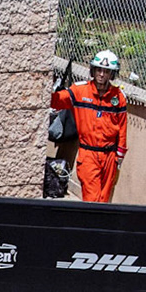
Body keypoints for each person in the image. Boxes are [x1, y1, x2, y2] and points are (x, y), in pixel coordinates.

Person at [49, 49, 128, 203]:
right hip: (88, 154)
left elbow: (123, 128)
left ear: (112, 74)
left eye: (106, 71)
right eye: (99, 70)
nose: (102, 74)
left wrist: (120, 155)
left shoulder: (119, 97)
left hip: (110, 157)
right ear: (93, 70)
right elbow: (56, 100)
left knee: (104, 200)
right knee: (92, 199)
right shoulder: (79, 90)